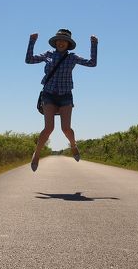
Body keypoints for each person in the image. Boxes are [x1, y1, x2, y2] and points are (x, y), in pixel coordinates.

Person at [25, 28, 98, 171]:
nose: (61, 43)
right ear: (55, 42)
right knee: (49, 128)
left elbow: (92, 63)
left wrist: (94, 44)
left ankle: (73, 145)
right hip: (48, 94)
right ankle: (36, 154)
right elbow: (29, 60)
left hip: (65, 95)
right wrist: (32, 41)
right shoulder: (48, 55)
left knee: (66, 128)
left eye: (64, 41)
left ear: (68, 43)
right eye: (59, 40)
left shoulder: (72, 57)